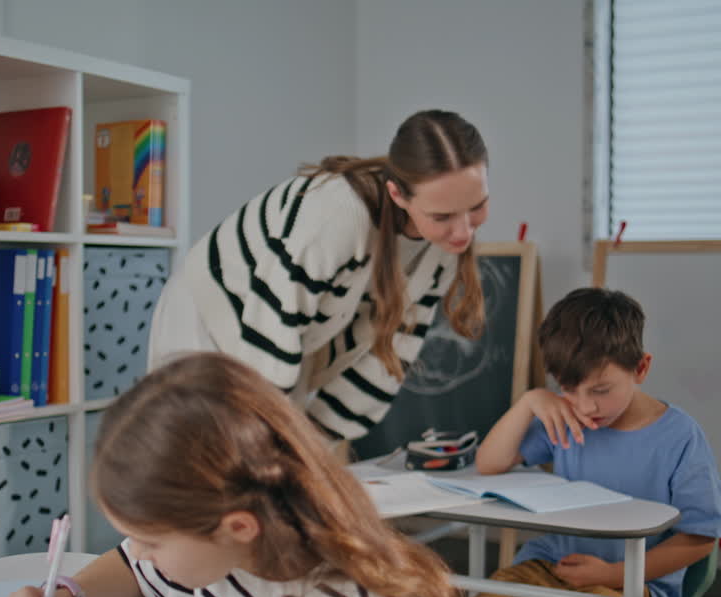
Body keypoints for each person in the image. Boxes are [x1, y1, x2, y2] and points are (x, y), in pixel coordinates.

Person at [1, 352, 505, 597]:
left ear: (238, 527)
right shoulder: (224, 554)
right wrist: (73, 594)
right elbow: (131, 567)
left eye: (152, 541)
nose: (143, 555)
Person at [148, 109, 490, 441]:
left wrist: (317, 439)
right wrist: (277, 442)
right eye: (442, 216)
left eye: (476, 207)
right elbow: (272, 325)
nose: (463, 232)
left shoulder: (441, 250)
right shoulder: (337, 215)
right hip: (212, 319)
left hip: (287, 340)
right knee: (205, 464)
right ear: (398, 195)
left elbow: (391, 355)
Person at [468, 287, 721, 597]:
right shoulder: (566, 419)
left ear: (641, 368)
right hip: (551, 567)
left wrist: (614, 574)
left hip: (632, 585)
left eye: (601, 389)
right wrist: (531, 401)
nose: (587, 406)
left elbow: (700, 539)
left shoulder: (679, 437)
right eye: (569, 389)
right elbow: (489, 465)